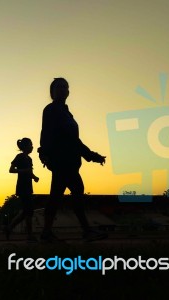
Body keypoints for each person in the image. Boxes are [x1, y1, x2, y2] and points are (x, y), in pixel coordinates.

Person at [38, 77, 108, 242]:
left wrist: (91, 155)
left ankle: (47, 232)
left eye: (66, 87)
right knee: (76, 190)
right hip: (61, 160)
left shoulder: (67, 113)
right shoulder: (51, 110)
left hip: (69, 159)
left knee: (56, 196)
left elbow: (75, 141)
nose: (64, 89)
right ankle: (86, 230)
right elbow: (46, 133)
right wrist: (44, 153)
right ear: (52, 92)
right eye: (60, 87)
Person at [6, 138, 39, 242]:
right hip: (22, 186)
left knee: (26, 212)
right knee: (29, 211)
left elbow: (29, 171)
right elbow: (11, 170)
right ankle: (29, 235)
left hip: (28, 186)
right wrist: (24, 171)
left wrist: (34, 177)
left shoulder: (29, 159)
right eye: (30, 144)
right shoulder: (19, 157)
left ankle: (9, 228)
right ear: (25, 146)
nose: (32, 147)